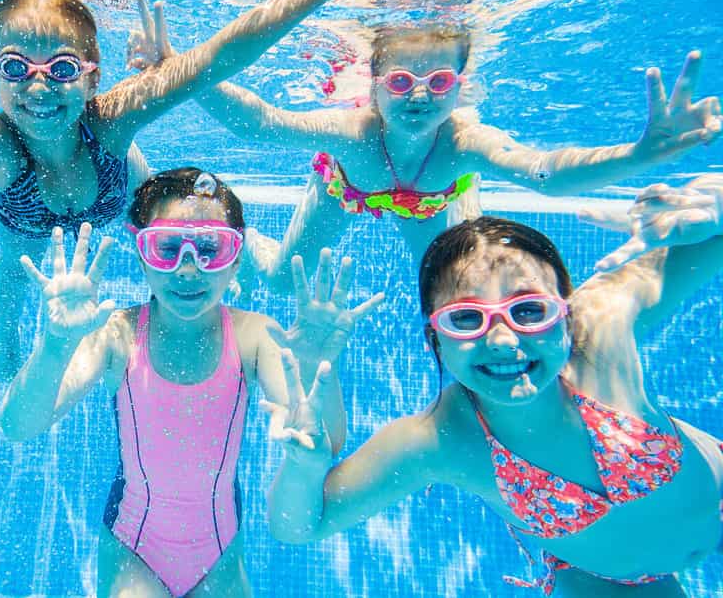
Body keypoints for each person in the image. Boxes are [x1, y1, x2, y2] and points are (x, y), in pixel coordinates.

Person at [0, 0, 385, 377]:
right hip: (27, 221)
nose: (39, 87)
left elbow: (219, 56)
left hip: (122, 189)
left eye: (61, 69)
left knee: (167, 226)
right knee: (12, 276)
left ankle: (231, 255)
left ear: (92, 77)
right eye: (16, 68)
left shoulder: (109, 121)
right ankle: (5, 339)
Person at [263, 174, 723, 596]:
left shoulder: (603, 323)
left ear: (565, 312)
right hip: (611, 582)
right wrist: (304, 467)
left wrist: (715, 203)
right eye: (466, 319)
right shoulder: (440, 439)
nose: (503, 341)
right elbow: (299, 526)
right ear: (436, 338)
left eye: (528, 311)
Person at [127, 6, 723, 291]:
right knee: (284, 282)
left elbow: (543, 173)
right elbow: (260, 125)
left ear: (459, 87)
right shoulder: (354, 135)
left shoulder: (462, 140)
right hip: (346, 191)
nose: (419, 96)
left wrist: (640, 155)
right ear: (374, 85)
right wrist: (178, 71)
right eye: (400, 81)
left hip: (435, 203)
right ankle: (252, 245)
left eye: (438, 82)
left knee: (458, 287)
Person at [0, 167, 384, 597]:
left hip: (219, 554)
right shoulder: (116, 335)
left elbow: (324, 439)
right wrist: (55, 345)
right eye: (166, 248)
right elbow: (18, 425)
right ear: (141, 252)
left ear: (235, 259)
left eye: (210, 249)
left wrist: (315, 367)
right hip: (133, 549)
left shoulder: (254, 336)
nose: (188, 269)